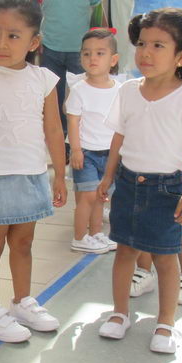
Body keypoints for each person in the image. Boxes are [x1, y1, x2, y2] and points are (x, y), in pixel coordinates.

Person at [97, 9, 182, 354]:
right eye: (142, 44)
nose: (146, 53)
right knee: (125, 251)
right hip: (128, 183)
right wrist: (108, 176)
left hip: (167, 188)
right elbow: (119, 136)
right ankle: (120, 314)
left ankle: (166, 323)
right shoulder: (129, 91)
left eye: (158, 45)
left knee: (166, 258)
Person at [0, 0, 66, 343]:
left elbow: (53, 128)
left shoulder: (43, 79)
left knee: (23, 243)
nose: (1, 43)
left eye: (13, 35)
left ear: (34, 41)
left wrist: (59, 173)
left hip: (32, 172)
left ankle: (22, 301)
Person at [35, 0, 106, 145]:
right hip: (50, 49)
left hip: (81, 51)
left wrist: (105, 40)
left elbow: (98, 9)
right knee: (53, 99)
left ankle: (80, 141)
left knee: (80, 96)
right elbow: (33, 13)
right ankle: (59, 142)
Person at [67, 28, 121, 254]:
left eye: (100, 53)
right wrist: (76, 150)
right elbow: (73, 121)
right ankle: (79, 237)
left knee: (100, 196)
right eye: (86, 54)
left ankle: (96, 233)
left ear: (113, 60)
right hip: (86, 153)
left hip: (110, 154)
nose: (92, 59)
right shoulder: (79, 89)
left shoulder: (120, 89)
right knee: (87, 197)